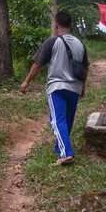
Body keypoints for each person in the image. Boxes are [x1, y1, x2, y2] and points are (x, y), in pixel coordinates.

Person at [20, 10, 89, 165]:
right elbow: (85, 68)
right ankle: (60, 147)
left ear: (56, 25)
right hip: (75, 88)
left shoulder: (52, 42)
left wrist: (26, 82)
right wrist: (83, 87)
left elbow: (37, 64)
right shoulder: (80, 44)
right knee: (67, 120)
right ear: (71, 25)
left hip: (57, 87)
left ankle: (65, 154)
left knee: (58, 120)